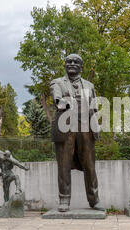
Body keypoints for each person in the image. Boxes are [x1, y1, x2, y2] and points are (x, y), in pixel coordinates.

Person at [49, 54, 103, 212]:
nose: (72, 64)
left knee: (90, 165)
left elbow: (94, 108)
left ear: (81, 66)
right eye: (69, 61)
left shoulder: (89, 85)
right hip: (65, 128)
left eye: (76, 62)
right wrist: (62, 102)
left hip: (86, 129)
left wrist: (96, 127)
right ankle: (64, 200)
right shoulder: (57, 82)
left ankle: (94, 200)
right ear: (65, 65)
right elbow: (57, 98)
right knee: (64, 165)